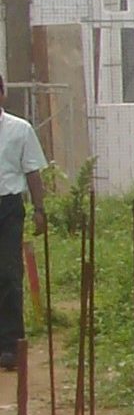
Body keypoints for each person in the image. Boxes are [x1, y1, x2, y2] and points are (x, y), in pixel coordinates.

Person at [0, 77, 50, 371]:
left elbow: (32, 171)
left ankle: (10, 345)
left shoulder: (20, 130)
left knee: (8, 273)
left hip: (8, 206)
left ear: (3, 94)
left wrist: (39, 209)